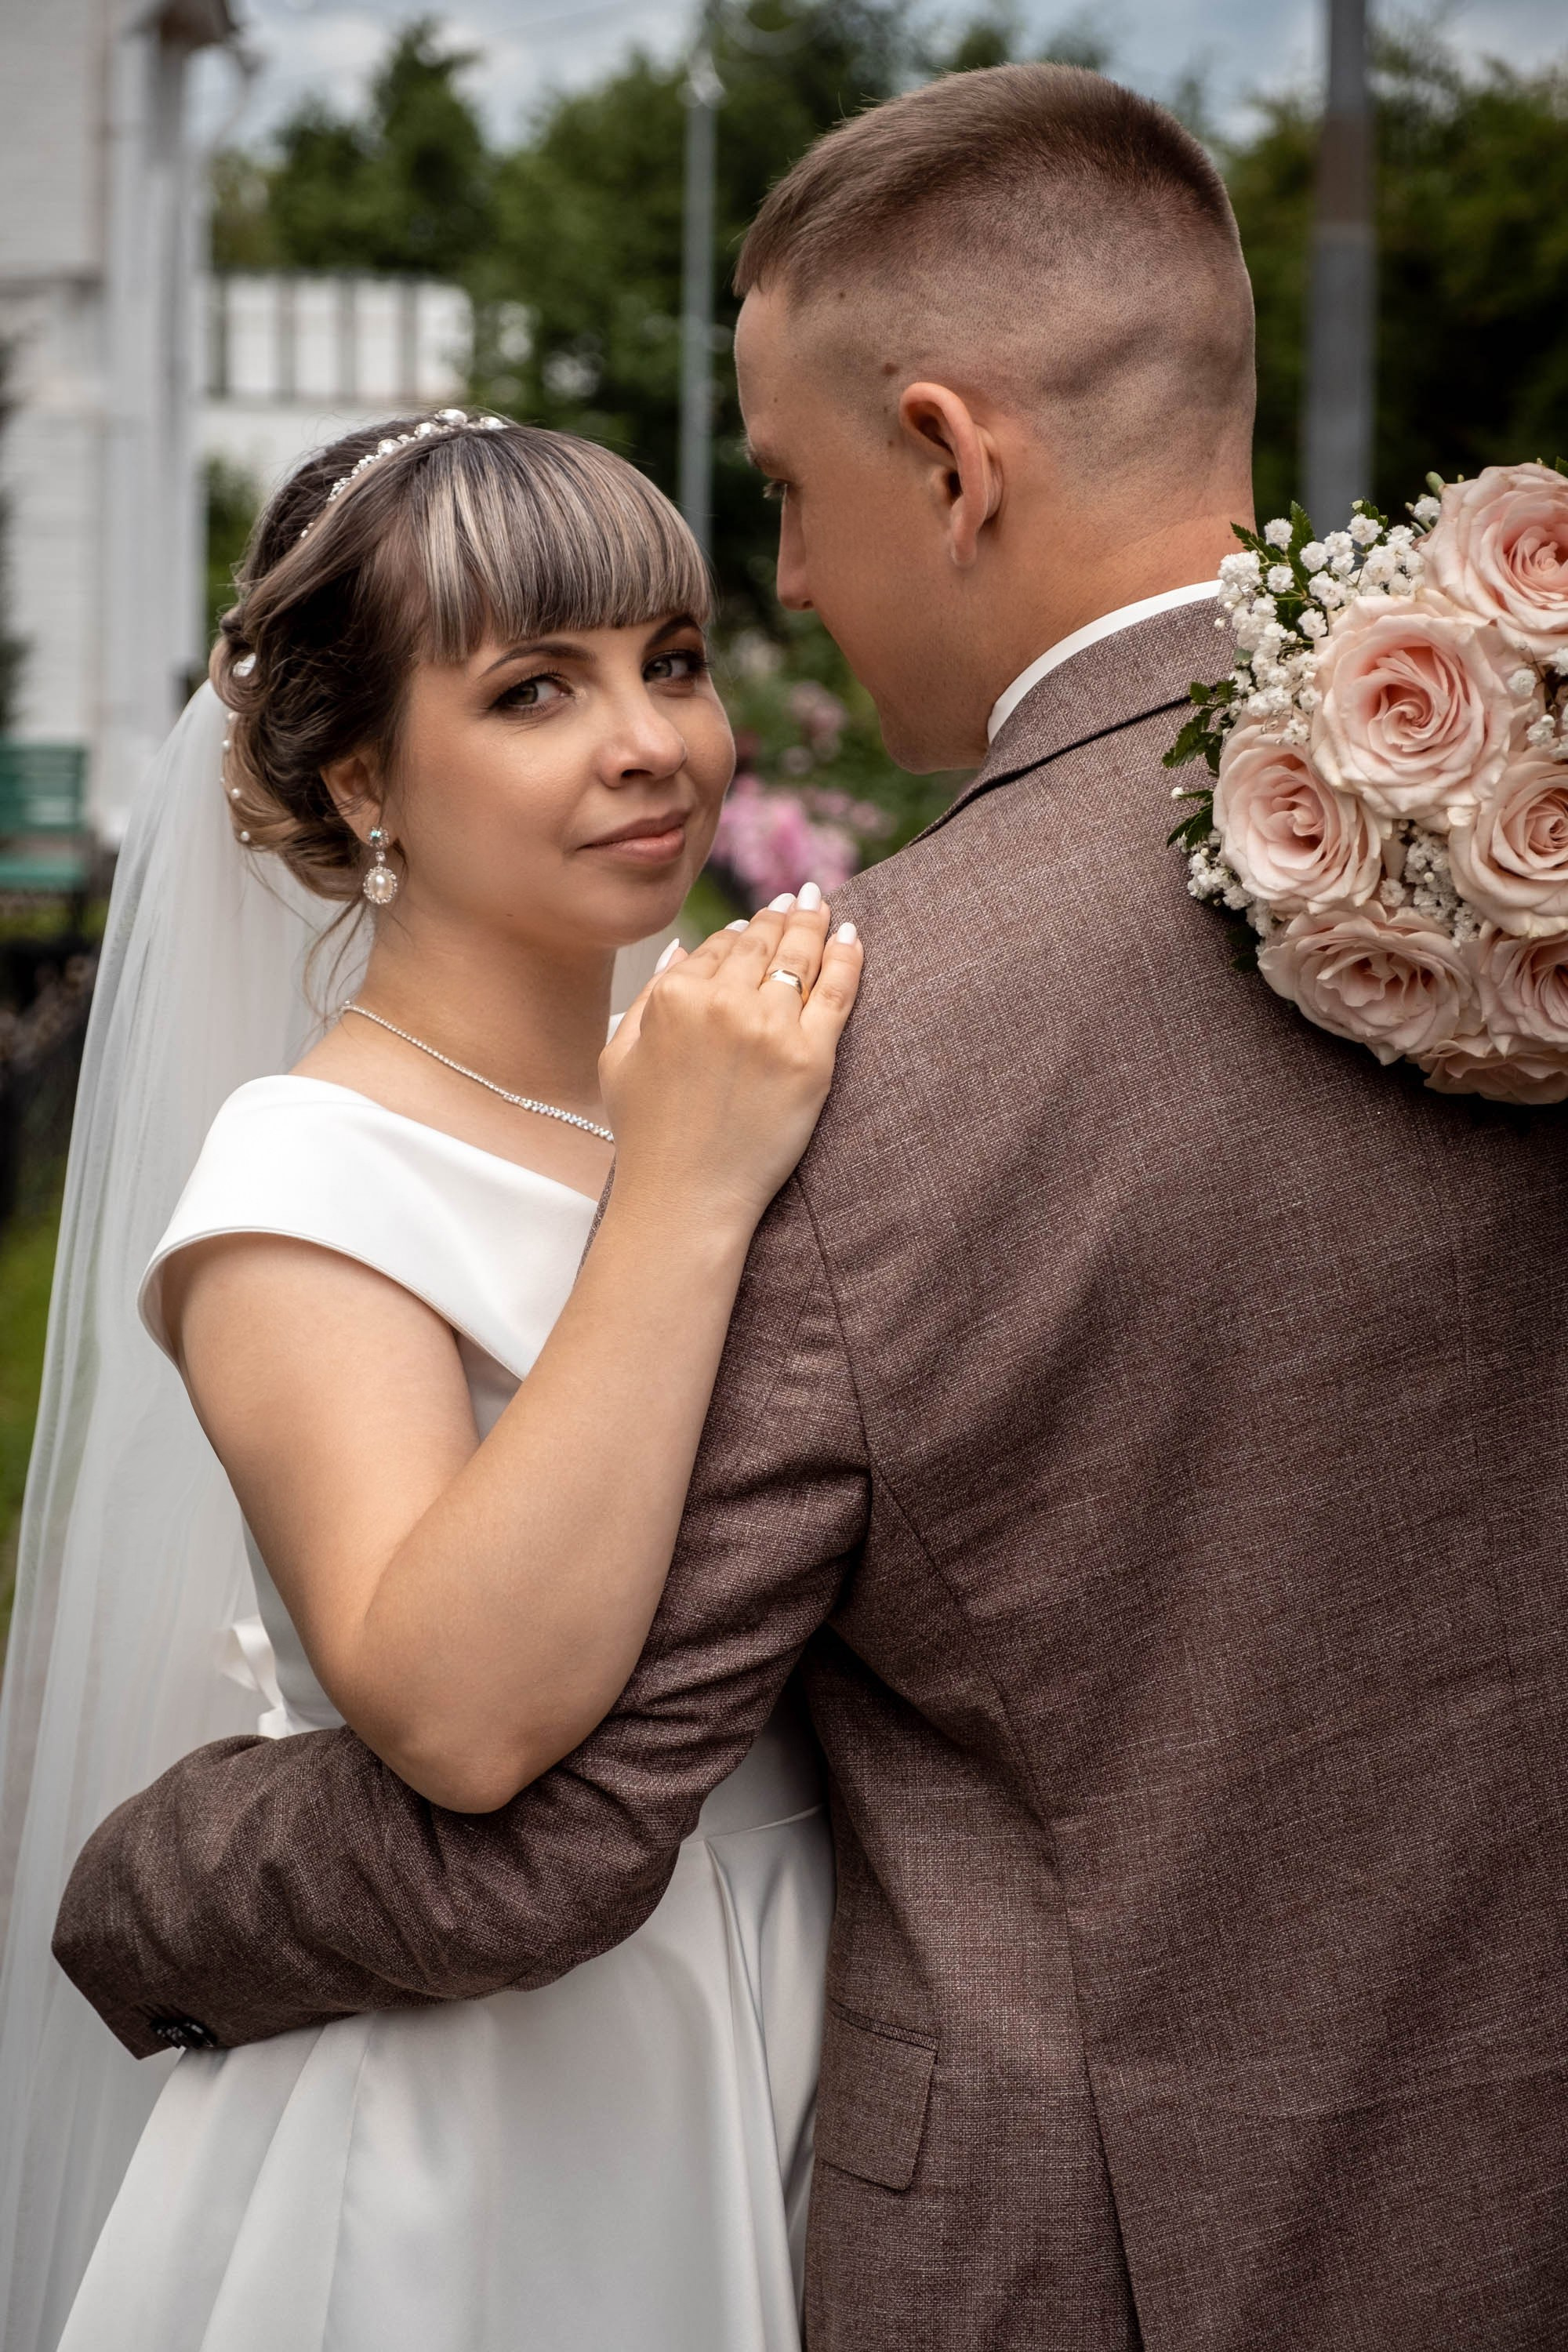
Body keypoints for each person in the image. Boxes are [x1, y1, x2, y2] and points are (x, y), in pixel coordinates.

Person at [54, 60, 1568, 2352]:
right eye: (539, 688)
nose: (697, 693)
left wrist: (142, 1893)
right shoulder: (1485, 848)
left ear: (949, 458)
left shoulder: (862, 1054)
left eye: (709, 599)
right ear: (358, 774)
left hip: (997, 2154)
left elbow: (538, 1814)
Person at [0, 416, 862, 2352]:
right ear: (358, 772)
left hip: (799, 1984)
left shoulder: (710, 1050)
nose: (650, 739)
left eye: (673, 658)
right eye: (535, 690)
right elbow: (459, 1719)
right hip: (505, 2106)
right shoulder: (308, 1178)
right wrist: (686, 1196)